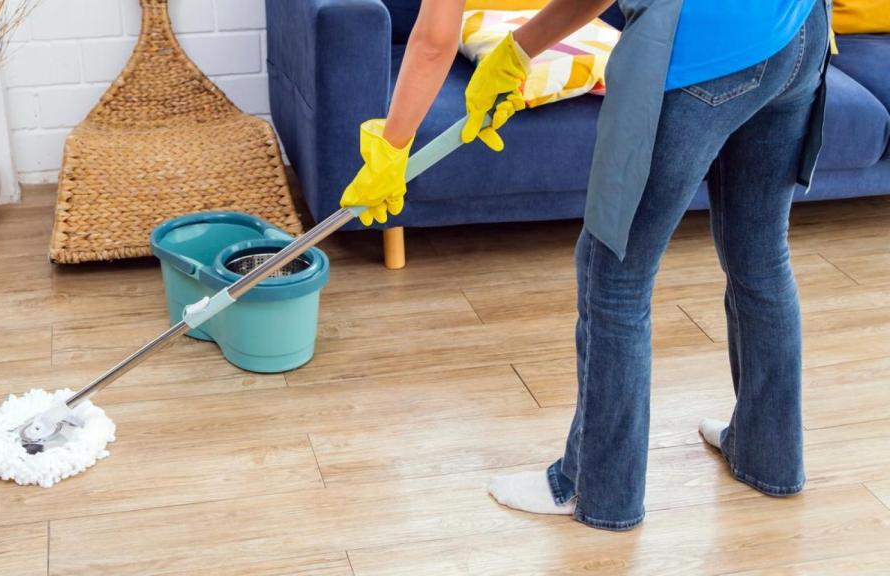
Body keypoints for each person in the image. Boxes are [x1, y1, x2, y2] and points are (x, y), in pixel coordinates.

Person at [340, 0, 832, 530]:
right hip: (798, 35)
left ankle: (594, 488)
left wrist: (392, 147)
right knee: (759, 254)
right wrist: (519, 49)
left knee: (615, 274)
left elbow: (434, 39)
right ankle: (768, 455)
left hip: (705, 45)